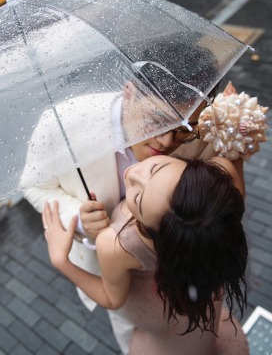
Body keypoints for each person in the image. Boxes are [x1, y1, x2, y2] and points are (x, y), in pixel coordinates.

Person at [20, 40, 244, 352]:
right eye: (156, 121)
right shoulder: (62, 125)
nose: (167, 143)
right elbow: (33, 184)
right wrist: (79, 218)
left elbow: (222, 197)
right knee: (132, 335)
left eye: (183, 130)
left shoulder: (205, 126)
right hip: (115, 273)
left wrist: (237, 137)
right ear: (128, 94)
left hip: (188, 269)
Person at [42, 154, 248, 355]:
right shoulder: (223, 172)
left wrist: (62, 262)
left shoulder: (117, 244)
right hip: (205, 286)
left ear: (153, 232)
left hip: (156, 311)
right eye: (155, 168)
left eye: (137, 198)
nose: (132, 173)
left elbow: (112, 299)